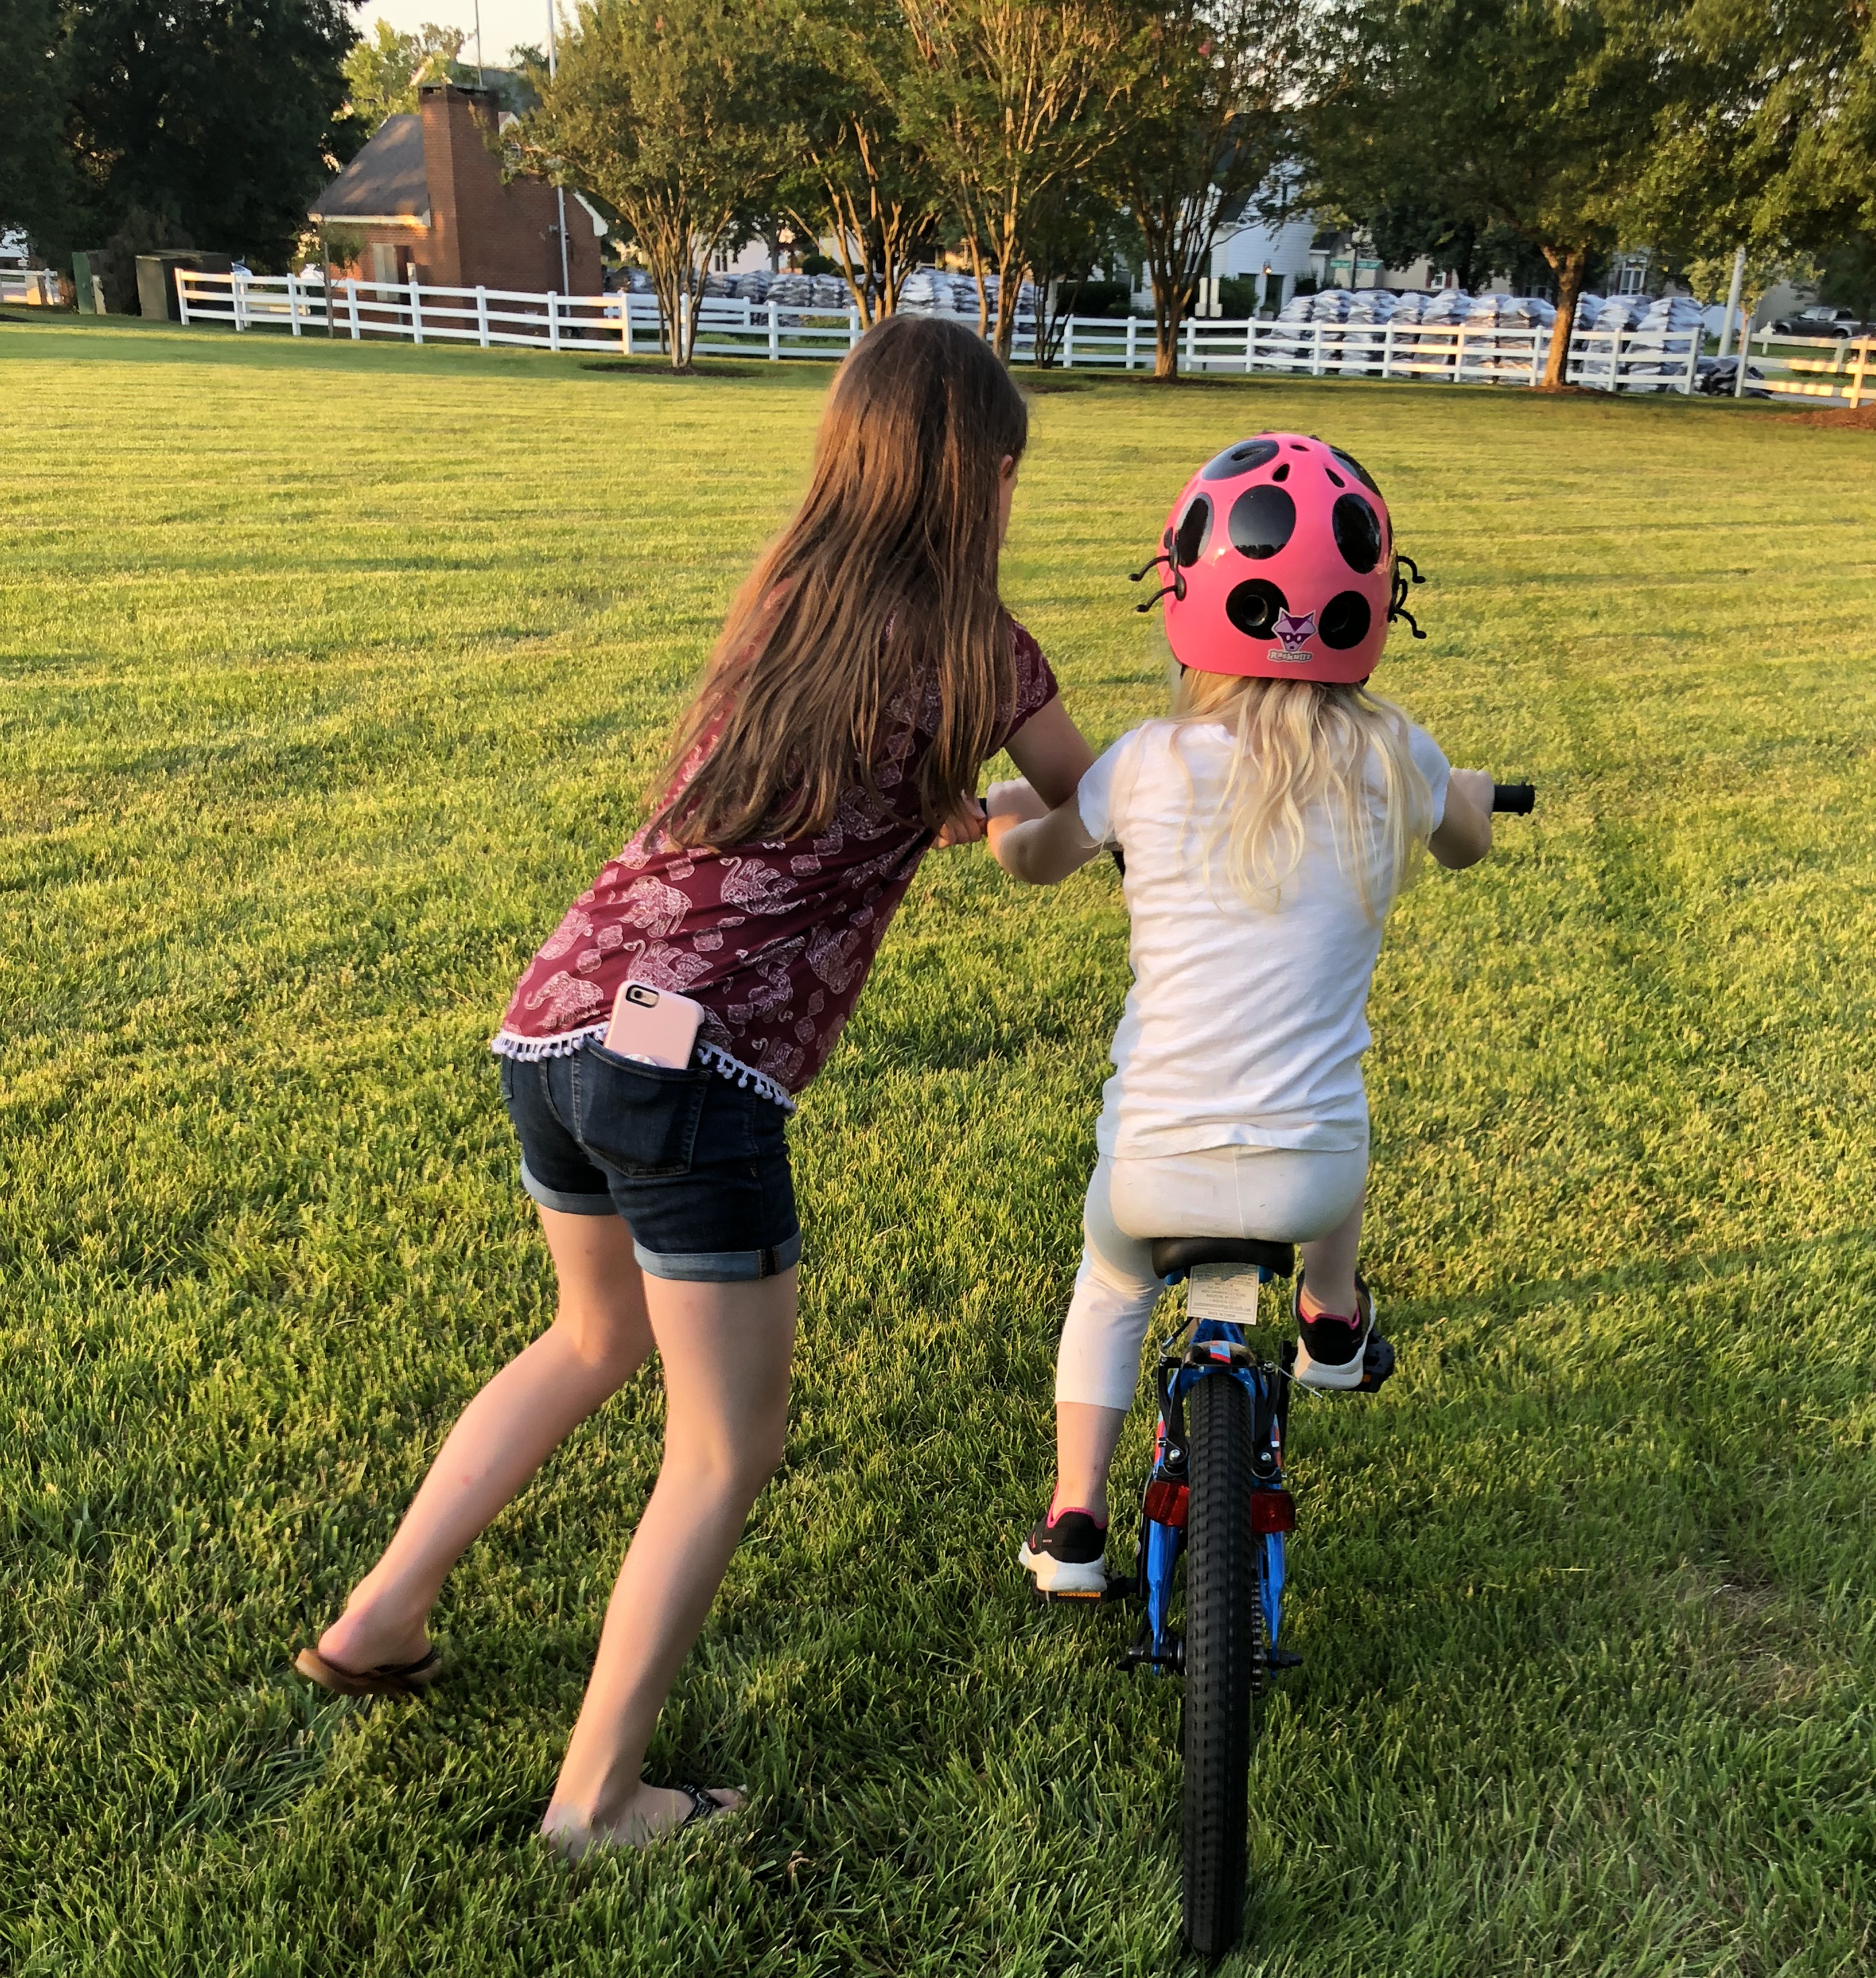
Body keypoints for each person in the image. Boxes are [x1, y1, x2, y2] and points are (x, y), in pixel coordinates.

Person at [296, 317, 1095, 1849]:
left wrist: (942, 809)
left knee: (590, 1336)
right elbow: (1082, 801)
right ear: (973, 475)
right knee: (724, 1444)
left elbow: (827, 800)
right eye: (1008, 469)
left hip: (556, 1019)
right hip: (697, 1068)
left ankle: (381, 1617)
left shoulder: (785, 605)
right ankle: (596, 1801)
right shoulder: (980, 650)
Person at [981, 431, 1496, 1595]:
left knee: (1110, 1288)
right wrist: (1455, 794)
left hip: (1152, 1166)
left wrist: (1014, 815)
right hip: (1312, 1181)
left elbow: (1034, 859)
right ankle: (1327, 1320)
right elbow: (1468, 841)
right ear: (1371, 603)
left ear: (1186, 588)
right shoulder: (1398, 758)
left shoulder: (1146, 763)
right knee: (1332, 1125)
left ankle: (1074, 1523)